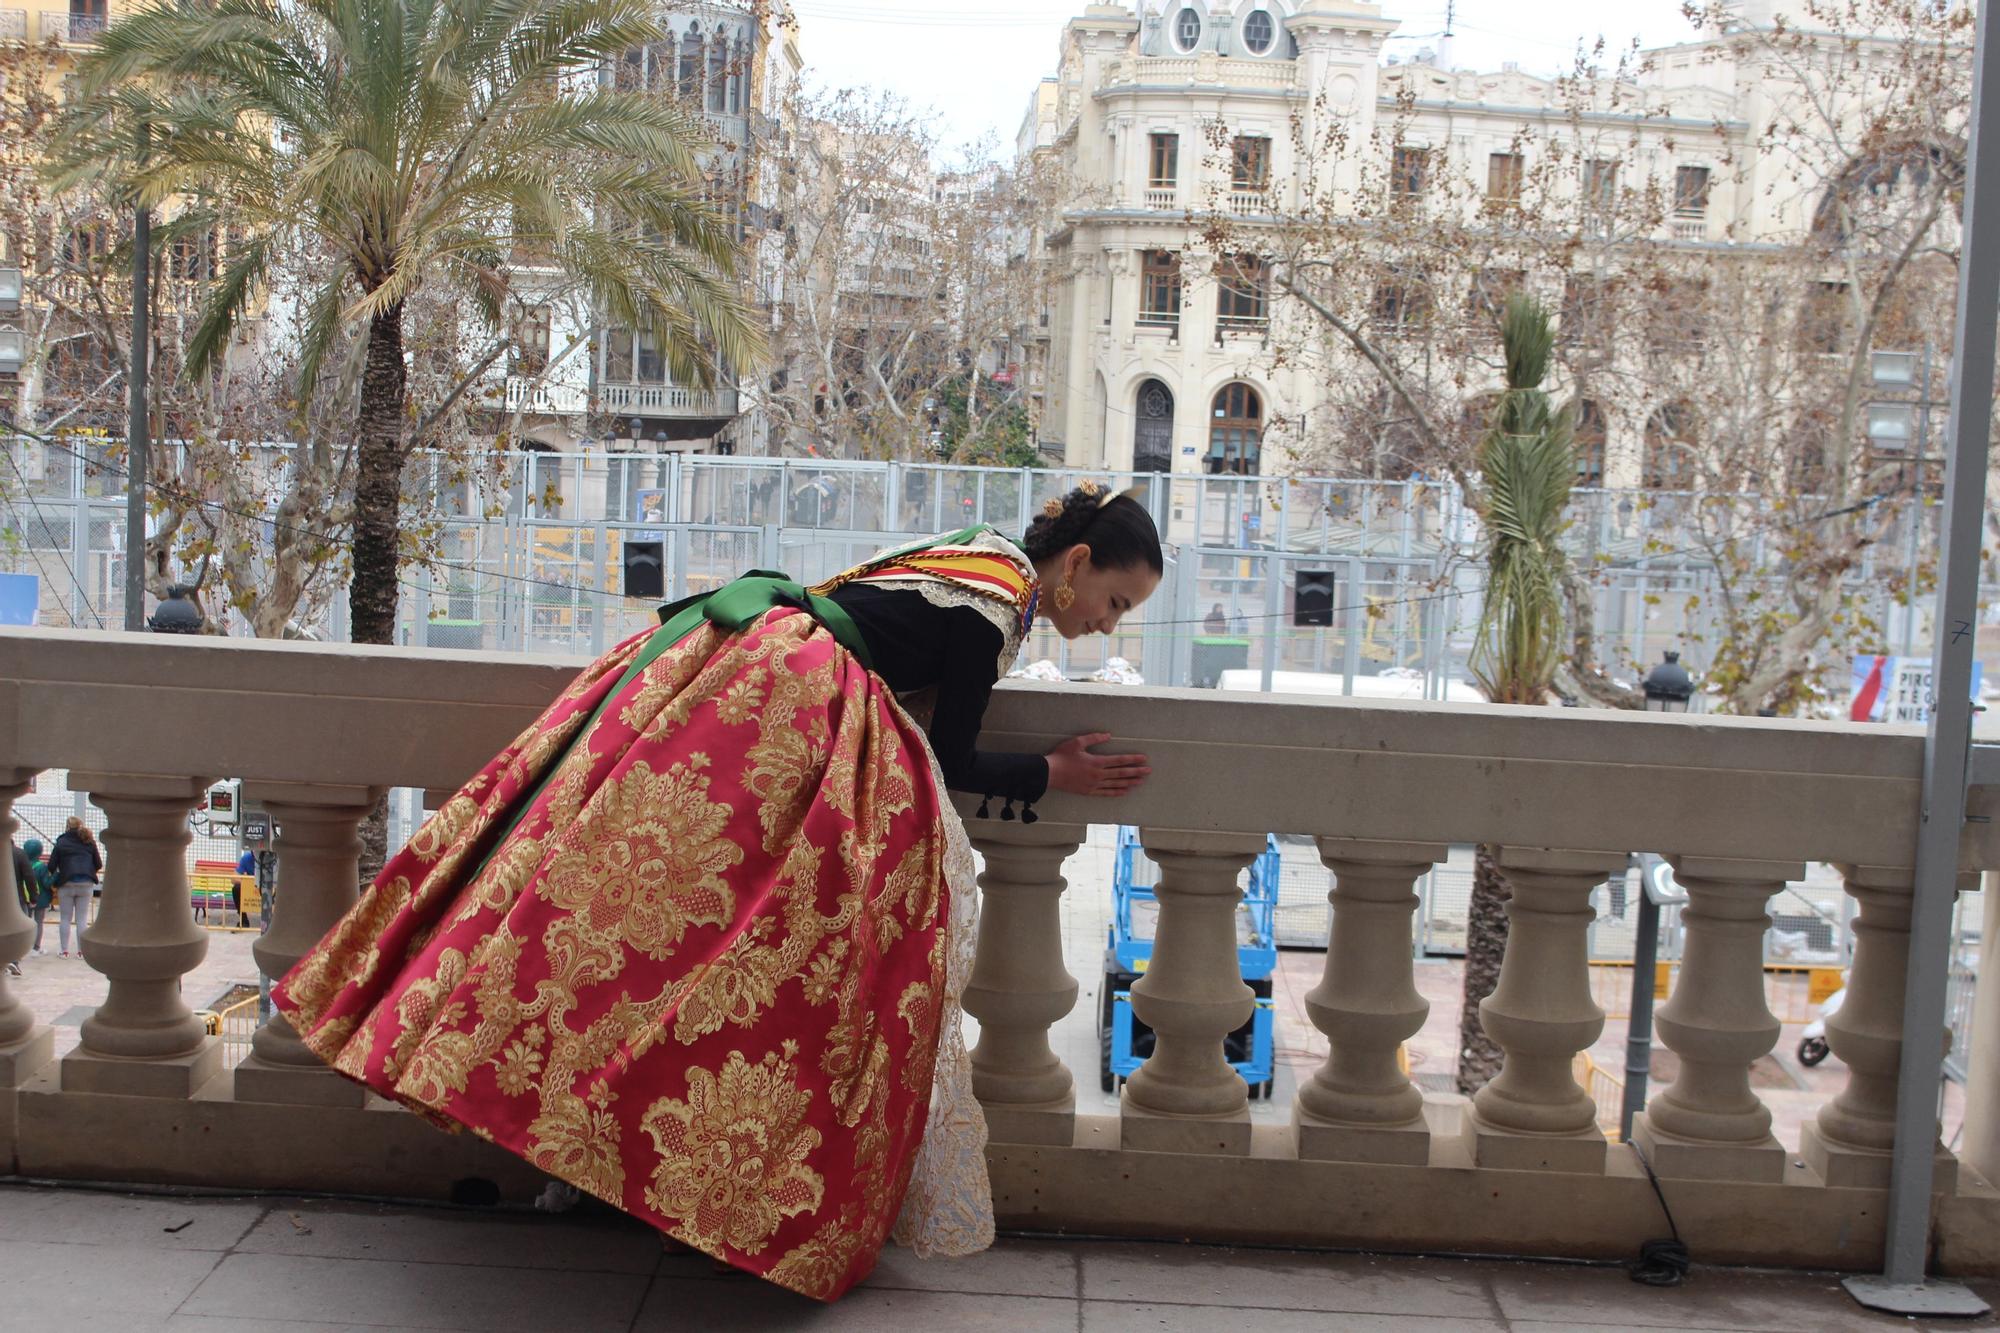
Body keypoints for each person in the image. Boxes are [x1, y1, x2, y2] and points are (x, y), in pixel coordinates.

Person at [274, 484, 1161, 1303]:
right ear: (1076, 564)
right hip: (789, 700)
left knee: (643, 927)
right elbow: (957, 757)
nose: (1108, 624)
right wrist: (1053, 769)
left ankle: (589, 1136)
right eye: (1115, 602)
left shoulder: (982, 555)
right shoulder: (995, 605)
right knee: (747, 957)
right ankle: (678, 1176)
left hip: (755, 662)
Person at [48, 817, 102, 959]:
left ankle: (64, 951)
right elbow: (99, 864)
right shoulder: (89, 841)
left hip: (66, 883)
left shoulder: (61, 842)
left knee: (65, 918)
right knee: (82, 919)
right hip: (86, 883)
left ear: (67, 826)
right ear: (80, 826)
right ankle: (81, 952)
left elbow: (51, 866)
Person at [20, 839, 54, 956]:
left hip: (25, 897)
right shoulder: (41, 867)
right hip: (41, 898)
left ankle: (24, 946)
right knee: (38, 922)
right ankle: (36, 947)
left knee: (25, 922)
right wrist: (56, 875)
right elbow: (47, 883)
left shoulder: (22, 864)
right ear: (40, 852)